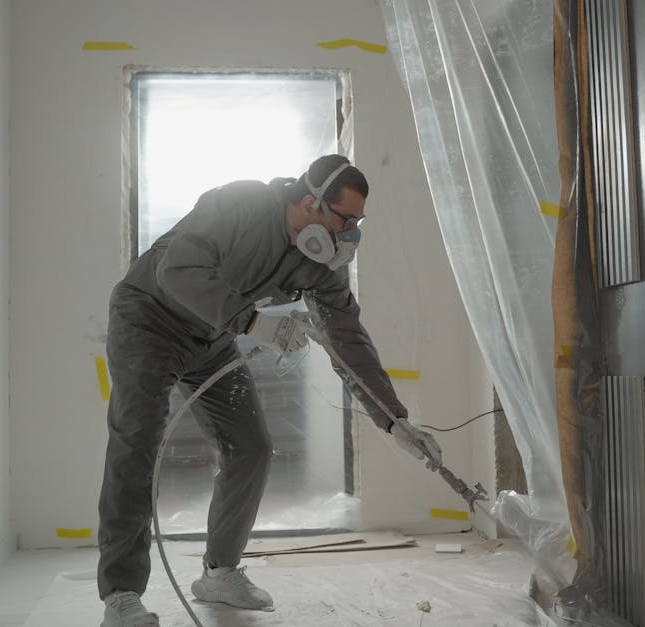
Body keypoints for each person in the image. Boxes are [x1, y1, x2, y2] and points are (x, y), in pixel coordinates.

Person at [97, 154, 443, 626]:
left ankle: (219, 573)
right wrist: (252, 321)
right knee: (136, 444)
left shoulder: (319, 264)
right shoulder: (239, 204)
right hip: (149, 322)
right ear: (309, 201)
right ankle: (121, 595)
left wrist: (393, 419)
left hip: (211, 339)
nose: (349, 234)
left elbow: (348, 338)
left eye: (357, 223)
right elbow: (176, 270)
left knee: (252, 446)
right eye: (345, 220)